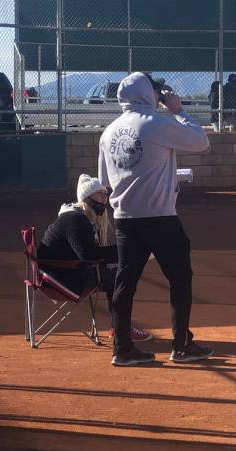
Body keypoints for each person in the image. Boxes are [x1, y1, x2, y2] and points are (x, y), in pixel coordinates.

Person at [98, 71, 213, 366]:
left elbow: (103, 180)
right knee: (179, 278)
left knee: (125, 282)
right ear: (148, 94)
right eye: (156, 89)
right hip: (160, 217)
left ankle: (122, 349)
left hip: (125, 217)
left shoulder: (108, 132)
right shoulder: (158, 123)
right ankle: (181, 345)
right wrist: (179, 111)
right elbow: (200, 141)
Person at [37, 174, 153, 342]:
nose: (104, 198)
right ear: (87, 197)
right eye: (100, 194)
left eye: (106, 194)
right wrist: (126, 252)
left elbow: (90, 254)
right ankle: (121, 329)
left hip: (56, 274)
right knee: (121, 277)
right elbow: (88, 254)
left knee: (116, 271)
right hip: (59, 280)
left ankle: (119, 327)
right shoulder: (75, 219)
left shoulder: (78, 217)